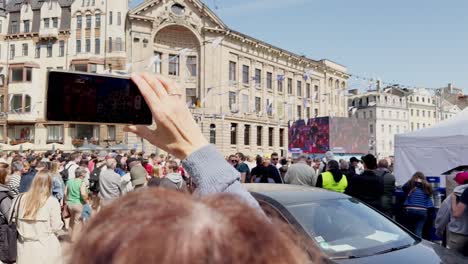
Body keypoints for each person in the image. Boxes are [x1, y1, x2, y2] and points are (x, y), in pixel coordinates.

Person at [11, 172, 62, 264]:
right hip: (46, 245)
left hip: (24, 246)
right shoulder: (52, 202)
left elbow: (13, 220)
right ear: (50, 184)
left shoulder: (19, 198)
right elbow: (56, 226)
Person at [435, 184, 468, 256]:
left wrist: (439, 230)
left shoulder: (455, 195)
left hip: (458, 235)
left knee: (451, 259)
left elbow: (445, 215)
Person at [402, 172, 434, 237]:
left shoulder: (410, 184)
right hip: (422, 210)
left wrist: (411, 181)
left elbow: (403, 188)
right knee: (418, 230)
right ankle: (418, 244)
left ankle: (409, 244)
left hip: (410, 209)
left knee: (409, 229)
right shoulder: (427, 186)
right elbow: (431, 193)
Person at [65, 167, 89, 242]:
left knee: (71, 221)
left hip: (70, 203)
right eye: (85, 172)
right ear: (82, 174)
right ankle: (75, 240)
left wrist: (66, 201)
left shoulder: (69, 181)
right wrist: (86, 201)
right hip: (78, 203)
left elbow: (65, 193)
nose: (86, 174)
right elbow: (83, 194)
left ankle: (70, 236)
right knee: (77, 222)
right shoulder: (82, 182)